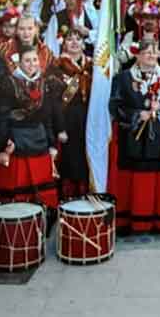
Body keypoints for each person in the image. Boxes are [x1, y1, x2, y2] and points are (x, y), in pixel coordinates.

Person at [109, 41, 160, 234]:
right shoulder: (122, 78)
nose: (150, 55)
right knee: (132, 178)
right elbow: (115, 106)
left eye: (154, 52)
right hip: (132, 138)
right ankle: (129, 221)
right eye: (146, 52)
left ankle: (157, 220)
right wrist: (137, 115)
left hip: (158, 137)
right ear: (136, 55)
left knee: (156, 177)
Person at [0, 45, 60, 211]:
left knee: (42, 193)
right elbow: (2, 116)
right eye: (27, 60)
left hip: (39, 140)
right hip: (17, 141)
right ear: (19, 63)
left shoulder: (44, 83)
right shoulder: (9, 82)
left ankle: (41, 225)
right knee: (18, 192)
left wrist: (51, 143)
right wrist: (4, 144)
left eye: (35, 60)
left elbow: (47, 116)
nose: (31, 64)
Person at [46, 28, 94, 198]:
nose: (74, 42)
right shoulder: (57, 66)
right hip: (66, 123)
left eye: (78, 39)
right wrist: (59, 128)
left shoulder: (92, 66)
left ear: (83, 43)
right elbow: (53, 101)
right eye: (70, 39)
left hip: (88, 123)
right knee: (68, 163)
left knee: (85, 161)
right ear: (63, 43)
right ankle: (68, 201)